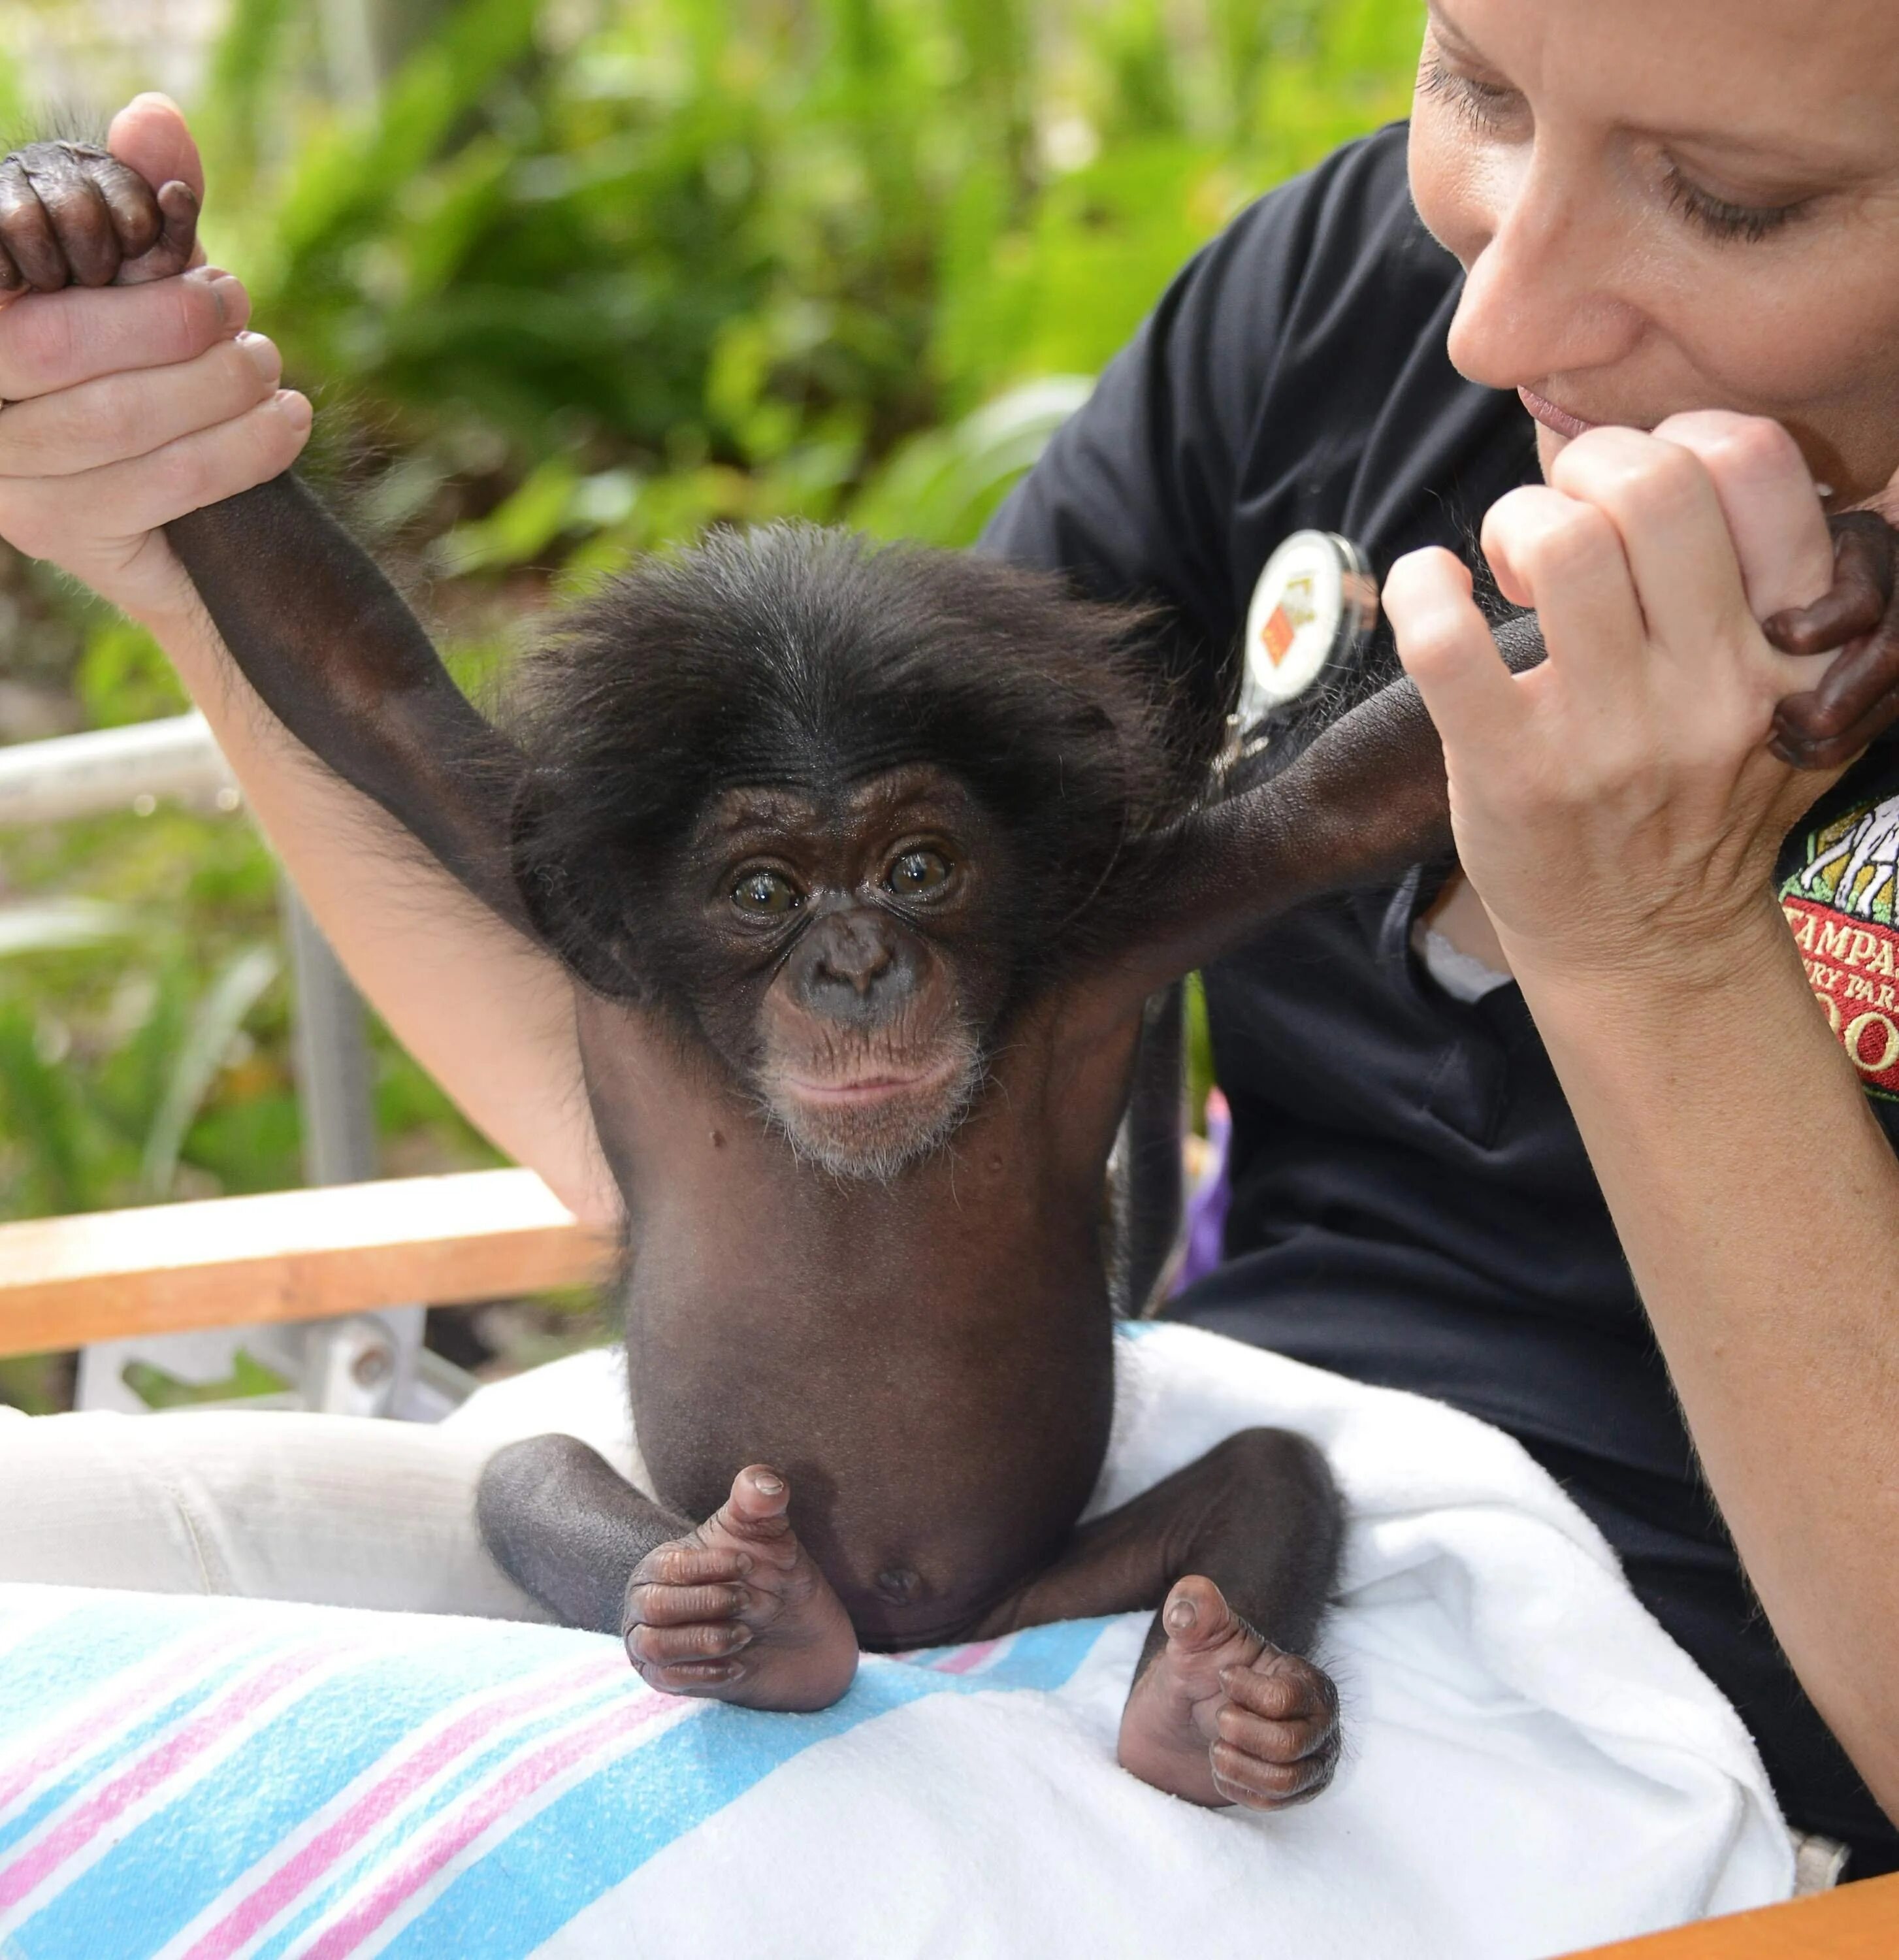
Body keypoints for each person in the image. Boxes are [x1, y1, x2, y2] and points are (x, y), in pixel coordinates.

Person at [2, 0, 1896, 1873]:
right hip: (1099, 1507)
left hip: (1644, 1724)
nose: (1495, 322)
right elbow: (500, 821)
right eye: (1473, 80)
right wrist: (175, 516)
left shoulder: (1050, 936)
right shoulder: (1336, 308)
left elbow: (1327, 796)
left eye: (1731, 197)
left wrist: (1651, 935)